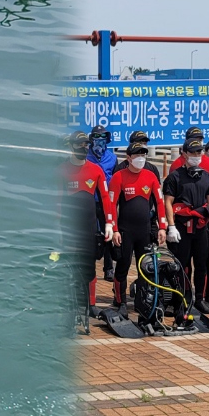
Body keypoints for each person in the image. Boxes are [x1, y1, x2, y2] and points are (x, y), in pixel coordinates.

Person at [163, 138, 209, 311]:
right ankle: (182, 297)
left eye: (199, 152)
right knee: (183, 264)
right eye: (193, 152)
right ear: (184, 154)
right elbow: (168, 202)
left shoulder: (206, 176)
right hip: (181, 226)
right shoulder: (175, 177)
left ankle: (200, 298)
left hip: (201, 226)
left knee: (202, 264)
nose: (196, 156)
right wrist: (171, 226)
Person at [107, 144, 167, 309]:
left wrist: (162, 226)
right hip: (125, 231)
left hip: (145, 231)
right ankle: (120, 301)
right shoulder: (119, 177)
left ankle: (142, 301)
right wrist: (114, 230)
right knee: (123, 266)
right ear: (128, 157)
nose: (140, 158)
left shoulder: (151, 176)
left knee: (145, 267)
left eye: (143, 154)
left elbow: (160, 202)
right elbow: (111, 204)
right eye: (136, 155)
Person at [61, 131, 109, 312]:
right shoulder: (61, 170)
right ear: (71, 146)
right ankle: (68, 302)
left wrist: (110, 224)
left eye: (86, 144)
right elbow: (56, 201)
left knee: (89, 265)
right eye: (79, 144)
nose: (84, 147)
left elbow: (105, 198)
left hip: (89, 227)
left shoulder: (96, 170)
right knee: (68, 264)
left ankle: (91, 304)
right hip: (68, 228)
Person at [86, 125, 116, 280]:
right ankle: (90, 266)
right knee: (90, 235)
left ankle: (108, 267)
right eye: (97, 138)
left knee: (107, 234)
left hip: (106, 203)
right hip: (89, 202)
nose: (100, 142)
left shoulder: (112, 158)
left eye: (103, 138)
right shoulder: (86, 157)